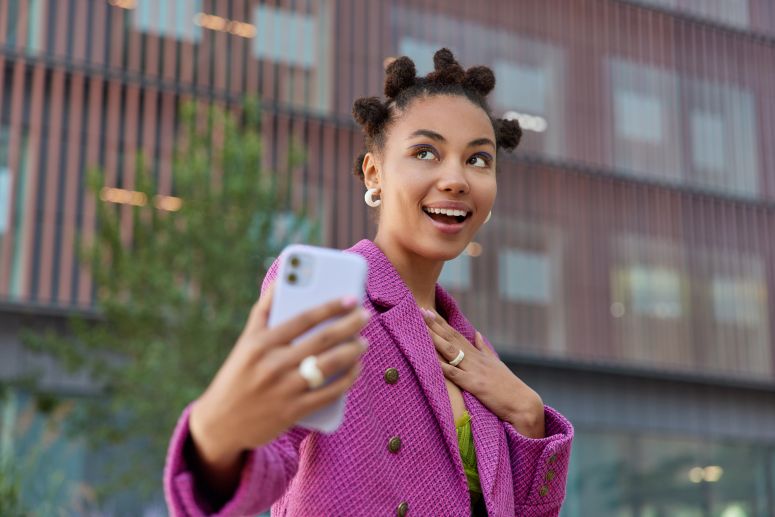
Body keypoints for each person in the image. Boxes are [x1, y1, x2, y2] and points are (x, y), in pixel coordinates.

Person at [164, 48, 574, 517]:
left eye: (478, 160)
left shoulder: (476, 352)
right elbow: (268, 452)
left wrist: (527, 414)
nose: (457, 179)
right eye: (426, 152)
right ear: (374, 173)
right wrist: (215, 440)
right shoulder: (331, 297)